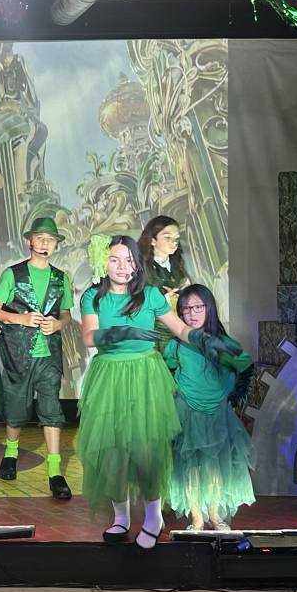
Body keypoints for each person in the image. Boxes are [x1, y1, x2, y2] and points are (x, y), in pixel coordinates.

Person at [78, 234, 238, 549]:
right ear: (103, 262)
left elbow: (180, 329)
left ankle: (153, 516)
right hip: (108, 376)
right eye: (114, 260)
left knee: (146, 449)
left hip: (145, 376)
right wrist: (122, 331)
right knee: (112, 449)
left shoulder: (150, 295)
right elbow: (88, 337)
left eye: (129, 260)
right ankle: (121, 518)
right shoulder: (93, 297)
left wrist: (208, 341)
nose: (122, 267)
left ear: (138, 264)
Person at [0, 217, 74, 499]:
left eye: (51, 239)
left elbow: (66, 314)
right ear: (30, 241)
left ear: (56, 244)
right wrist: (20, 318)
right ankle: (10, 454)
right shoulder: (13, 274)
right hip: (18, 352)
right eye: (40, 238)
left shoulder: (61, 278)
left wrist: (58, 324)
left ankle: (55, 472)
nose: (45, 243)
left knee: (52, 410)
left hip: (49, 355)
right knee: (15, 408)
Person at [164, 284, 256, 530]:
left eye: (198, 307)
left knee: (216, 465)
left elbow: (244, 364)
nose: (192, 313)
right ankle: (196, 518)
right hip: (187, 410)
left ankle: (215, 515)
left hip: (216, 412)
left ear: (209, 308)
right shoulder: (177, 344)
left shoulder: (221, 343)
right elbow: (169, 368)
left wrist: (232, 394)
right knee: (190, 466)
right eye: (185, 309)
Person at [138, 215, 191, 349]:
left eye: (176, 239)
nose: (174, 242)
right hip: (154, 332)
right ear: (152, 240)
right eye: (167, 238)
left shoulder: (179, 265)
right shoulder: (140, 269)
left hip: (181, 327)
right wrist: (165, 298)